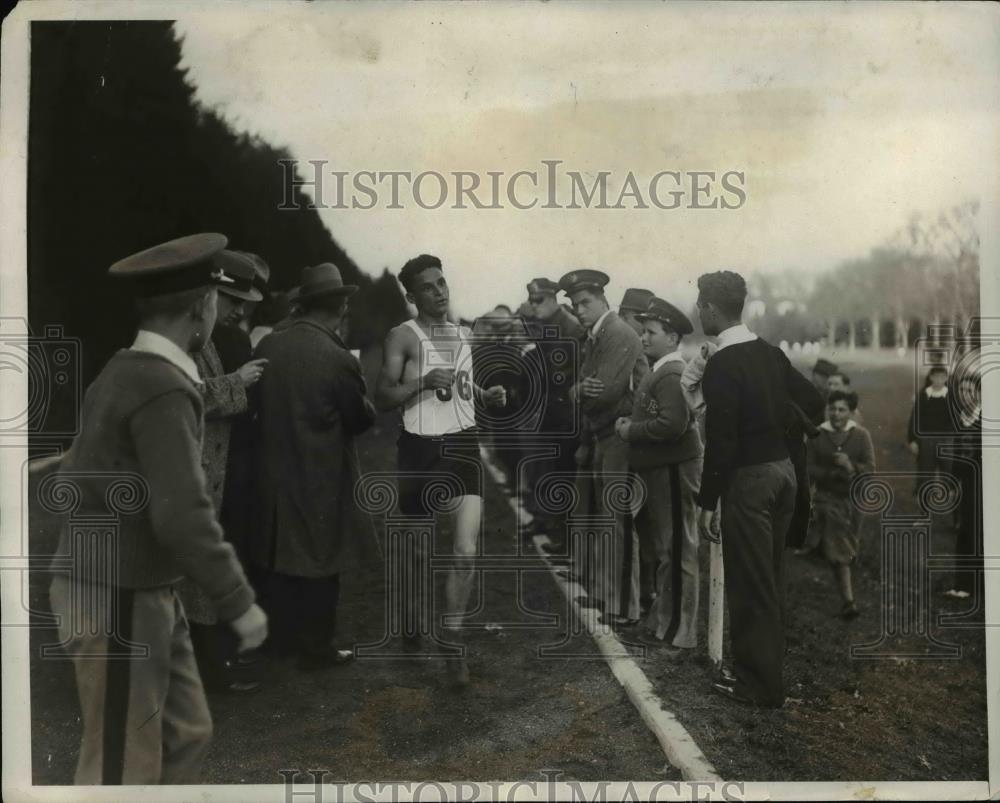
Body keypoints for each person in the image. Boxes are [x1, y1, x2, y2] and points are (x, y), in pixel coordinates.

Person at [48, 233, 267, 784]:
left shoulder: (126, 370)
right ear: (201, 306)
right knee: (122, 768)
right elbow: (182, 514)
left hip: (141, 588)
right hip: (118, 591)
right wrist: (239, 602)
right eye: (218, 300)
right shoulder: (161, 385)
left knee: (184, 735)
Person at [374, 254, 507, 687]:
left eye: (442, 282)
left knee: (465, 550)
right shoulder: (403, 336)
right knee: (416, 551)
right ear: (413, 297)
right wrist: (423, 382)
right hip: (419, 450)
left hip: (463, 446)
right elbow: (384, 396)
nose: (439, 291)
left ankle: (452, 642)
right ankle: (413, 619)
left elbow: (465, 387)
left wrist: (489, 395)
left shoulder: (462, 334)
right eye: (428, 287)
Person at [694, 270, 824, 708]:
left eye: (700, 305)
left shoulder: (722, 364)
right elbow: (814, 403)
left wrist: (706, 501)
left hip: (750, 482)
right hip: (784, 474)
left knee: (751, 587)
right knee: (768, 580)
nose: (698, 312)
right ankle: (766, 678)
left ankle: (760, 686)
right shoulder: (769, 353)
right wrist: (776, 422)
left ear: (711, 308)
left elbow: (722, 443)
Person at [251, 262, 380, 670]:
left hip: (273, 471)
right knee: (325, 559)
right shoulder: (337, 356)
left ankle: (279, 641)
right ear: (340, 306)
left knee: (280, 555)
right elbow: (359, 420)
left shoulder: (269, 345)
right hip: (321, 472)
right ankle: (317, 648)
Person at [175, 250, 268, 693]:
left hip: (208, 473)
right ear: (212, 294)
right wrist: (239, 382)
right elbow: (181, 396)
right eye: (233, 299)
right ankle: (201, 675)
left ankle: (207, 671)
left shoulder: (205, 334)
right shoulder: (184, 335)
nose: (238, 310)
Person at [559, 269, 649, 627]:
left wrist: (580, 393)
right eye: (575, 304)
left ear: (602, 300)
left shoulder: (618, 333)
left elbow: (608, 391)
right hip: (603, 434)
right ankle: (608, 595)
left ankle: (625, 607)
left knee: (618, 521)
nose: (579, 310)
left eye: (586, 302)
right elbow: (578, 389)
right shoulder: (594, 335)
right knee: (604, 520)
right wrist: (581, 391)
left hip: (620, 435)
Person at [615, 297, 703, 652]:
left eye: (651, 332)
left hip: (673, 469)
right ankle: (663, 624)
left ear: (671, 337)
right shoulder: (661, 369)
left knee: (679, 551)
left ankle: (678, 632)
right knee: (670, 549)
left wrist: (630, 431)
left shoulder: (672, 372)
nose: (644, 338)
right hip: (663, 470)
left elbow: (673, 424)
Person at [523, 278, 585, 548]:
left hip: (567, 415)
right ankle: (552, 526)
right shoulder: (550, 325)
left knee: (564, 475)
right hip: (551, 412)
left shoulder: (569, 327)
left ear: (553, 299)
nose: (534, 306)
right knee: (548, 471)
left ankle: (565, 540)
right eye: (531, 301)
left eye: (539, 301)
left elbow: (567, 376)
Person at [806, 389, 876, 619]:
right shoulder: (817, 435)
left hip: (855, 500)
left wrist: (850, 466)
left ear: (852, 412)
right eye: (832, 409)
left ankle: (825, 550)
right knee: (840, 548)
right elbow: (808, 468)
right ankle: (849, 602)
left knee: (846, 546)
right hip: (827, 499)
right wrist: (828, 473)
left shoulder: (861, 436)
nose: (836, 414)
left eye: (842, 409)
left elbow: (870, 470)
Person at [946, 371, 982, 599]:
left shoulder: (985, 420)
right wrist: (953, 483)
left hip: (983, 485)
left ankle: (974, 585)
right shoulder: (962, 419)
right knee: (966, 531)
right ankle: (964, 584)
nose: (965, 395)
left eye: (969, 390)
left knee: (978, 532)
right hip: (967, 485)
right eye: (961, 390)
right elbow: (958, 457)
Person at [907, 364, 955, 494]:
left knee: (948, 467)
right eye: (936, 377)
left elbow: (957, 420)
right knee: (926, 467)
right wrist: (912, 440)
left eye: (942, 377)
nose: (939, 380)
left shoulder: (952, 395)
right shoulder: (923, 395)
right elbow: (914, 419)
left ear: (946, 378)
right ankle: (924, 492)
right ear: (931, 377)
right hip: (927, 439)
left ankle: (949, 491)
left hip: (946, 439)